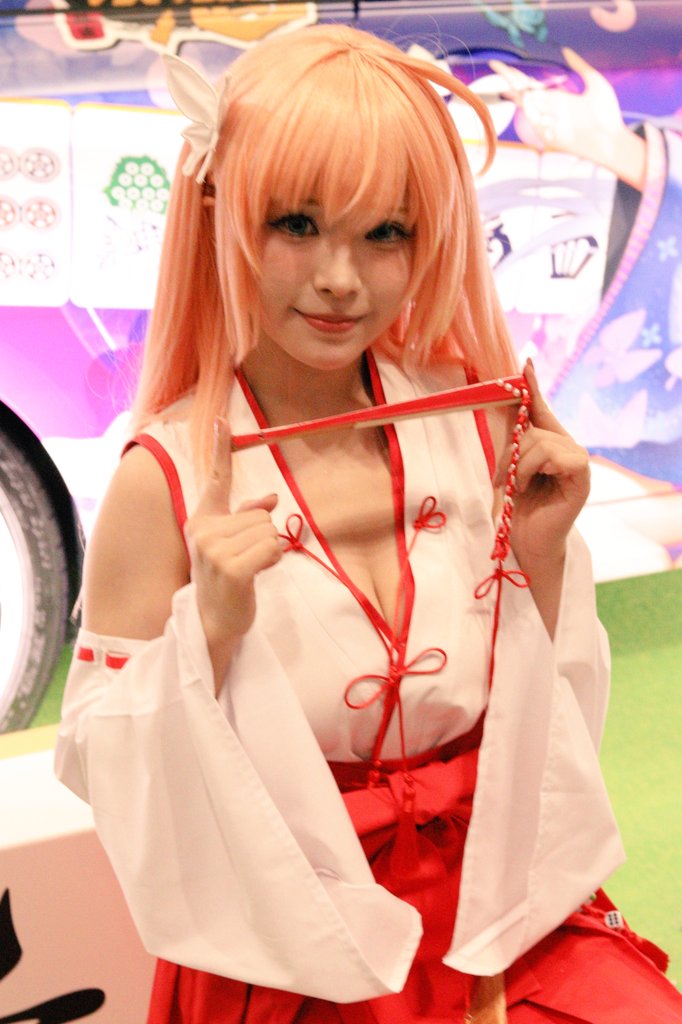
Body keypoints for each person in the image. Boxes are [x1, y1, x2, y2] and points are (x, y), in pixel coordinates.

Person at [55, 23, 682, 1024]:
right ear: (219, 213)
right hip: (296, 936)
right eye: (296, 223)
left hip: (499, 902)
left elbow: (551, 726)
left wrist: (543, 557)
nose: (340, 278)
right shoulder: (162, 480)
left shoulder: (477, 423)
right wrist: (205, 632)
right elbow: (100, 766)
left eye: (385, 232)